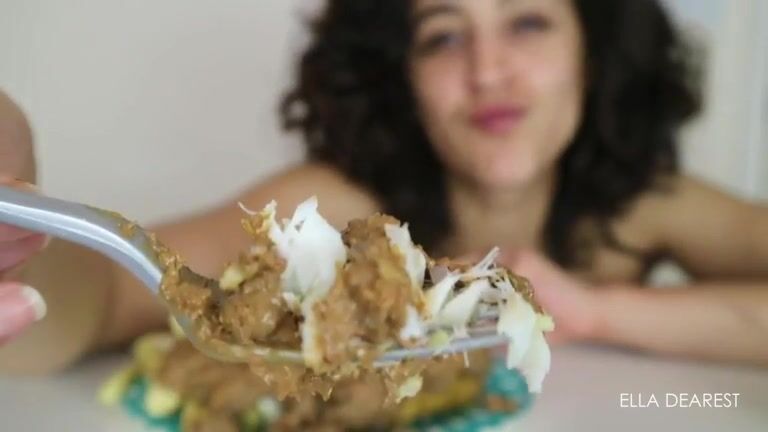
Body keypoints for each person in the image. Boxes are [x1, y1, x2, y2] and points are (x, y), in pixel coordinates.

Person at [1, 0, 766, 374]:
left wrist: (599, 312)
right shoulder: (333, 207)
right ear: (400, 79)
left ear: (593, 56)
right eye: (442, 35)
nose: (487, 70)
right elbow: (112, 294)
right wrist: (19, 221)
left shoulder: (645, 204)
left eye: (528, 22)